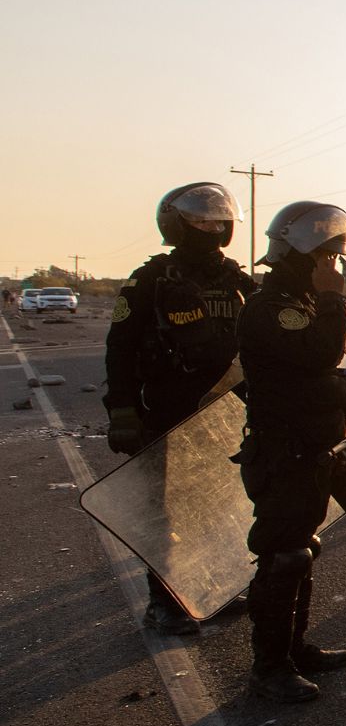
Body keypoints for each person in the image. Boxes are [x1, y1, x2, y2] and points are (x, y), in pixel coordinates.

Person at [104, 182, 256, 636]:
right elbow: (120, 350)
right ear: (177, 224)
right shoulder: (150, 281)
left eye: (218, 220)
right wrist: (122, 411)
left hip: (225, 413)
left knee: (213, 507)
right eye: (202, 221)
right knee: (166, 513)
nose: (214, 228)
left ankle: (207, 590)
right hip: (166, 411)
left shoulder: (236, 280)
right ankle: (163, 604)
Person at [235, 201, 346, 702]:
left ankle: (294, 648)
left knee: (302, 548)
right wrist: (333, 299)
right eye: (327, 257)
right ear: (300, 255)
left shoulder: (298, 303)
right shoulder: (272, 308)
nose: (334, 267)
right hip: (281, 452)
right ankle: (269, 667)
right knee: (283, 554)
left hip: (308, 449)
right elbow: (320, 354)